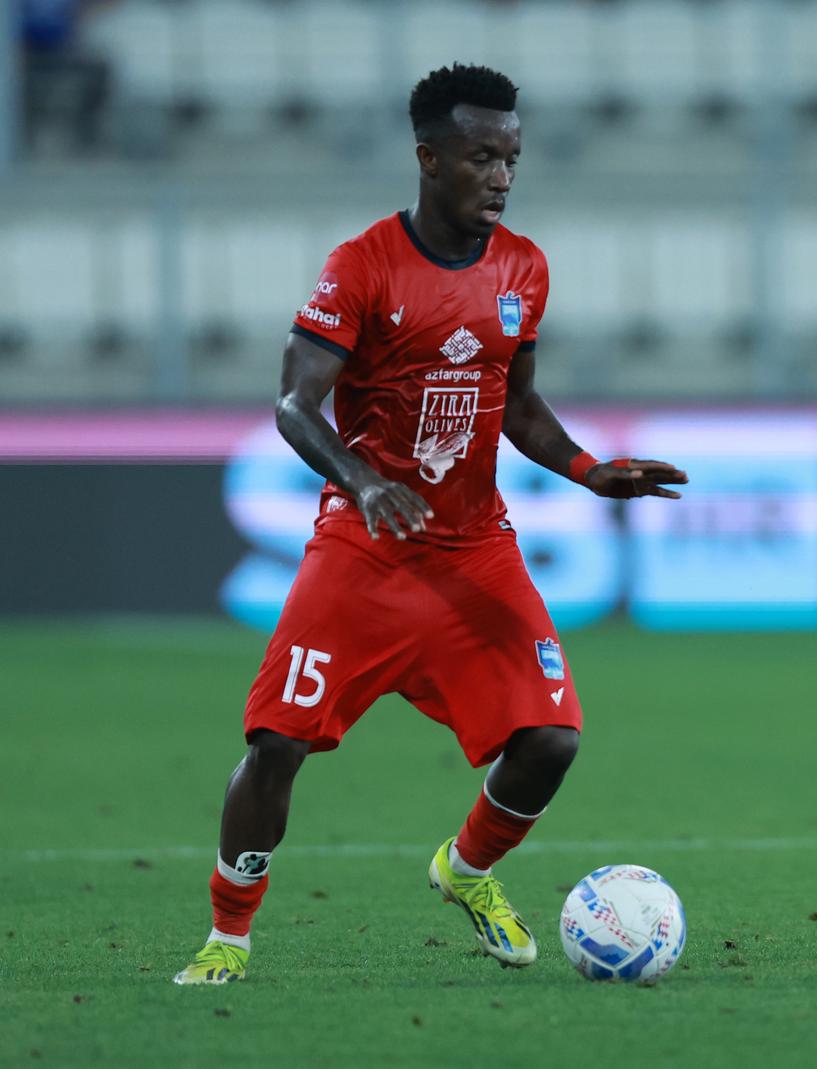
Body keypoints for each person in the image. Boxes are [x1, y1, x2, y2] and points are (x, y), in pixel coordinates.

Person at [174, 64, 688, 984]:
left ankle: (466, 869)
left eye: (512, 158)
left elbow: (517, 404)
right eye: (482, 157)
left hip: (473, 551)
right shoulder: (363, 266)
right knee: (275, 743)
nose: (501, 176)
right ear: (428, 158)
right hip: (364, 552)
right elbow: (296, 406)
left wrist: (586, 468)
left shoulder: (522, 267)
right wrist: (363, 479)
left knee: (552, 740)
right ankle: (228, 937)